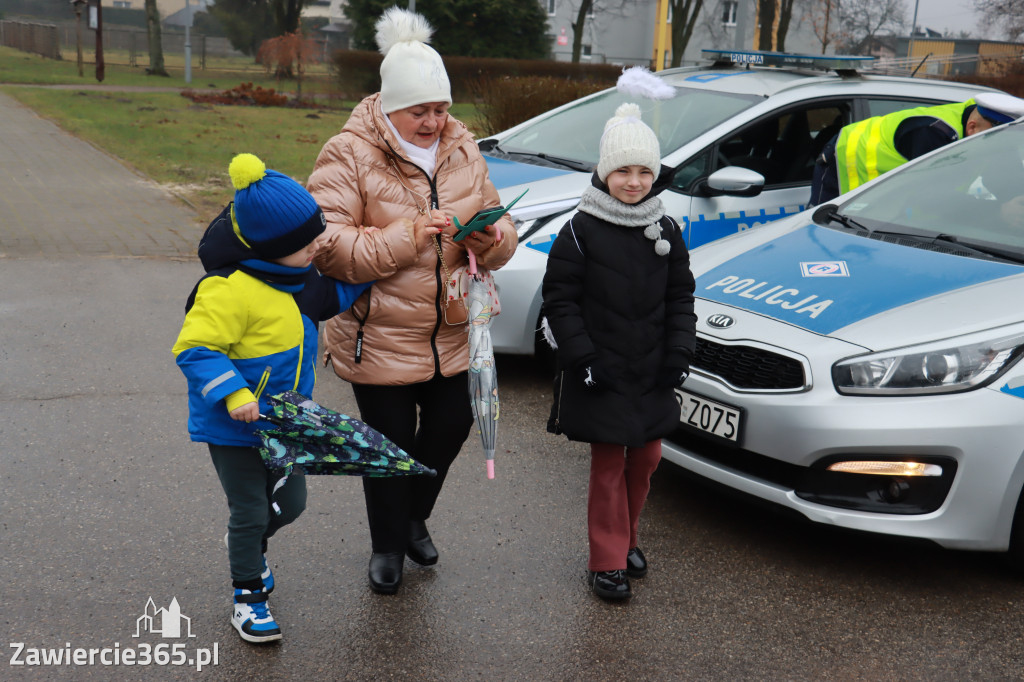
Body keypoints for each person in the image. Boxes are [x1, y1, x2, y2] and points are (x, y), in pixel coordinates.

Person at [305, 7, 517, 595]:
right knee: (389, 448)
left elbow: (504, 229)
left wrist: (490, 238)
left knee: (452, 424)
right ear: (389, 105)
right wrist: (409, 235)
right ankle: (387, 546)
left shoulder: (461, 146)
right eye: (419, 110)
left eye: (441, 108)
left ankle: (414, 515)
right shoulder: (347, 153)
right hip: (380, 334)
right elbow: (327, 244)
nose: (433, 122)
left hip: (451, 326)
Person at [172, 153, 372, 643]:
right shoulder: (227, 291)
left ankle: (249, 544)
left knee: (292, 504)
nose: (317, 246)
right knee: (249, 509)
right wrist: (235, 393)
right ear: (268, 247)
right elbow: (195, 349)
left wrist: (382, 269)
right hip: (235, 427)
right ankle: (248, 597)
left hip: (284, 422)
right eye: (304, 242)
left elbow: (333, 298)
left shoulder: (298, 278)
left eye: (316, 234)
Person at [541, 102, 697, 601]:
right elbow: (559, 301)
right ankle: (605, 560)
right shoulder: (580, 230)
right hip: (601, 370)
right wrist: (583, 359)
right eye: (623, 171)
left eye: (644, 171)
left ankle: (628, 536)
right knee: (609, 463)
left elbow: (681, 297)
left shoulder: (667, 230)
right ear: (604, 172)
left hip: (650, 368)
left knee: (647, 457)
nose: (634, 182)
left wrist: (679, 351)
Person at [810, 92, 1024, 206]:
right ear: (972, 127)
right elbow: (931, 198)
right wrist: (995, 212)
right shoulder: (934, 134)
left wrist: (1012, 201)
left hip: (881, 188)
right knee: (822, 229)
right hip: (845, 160)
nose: (996, 148)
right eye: (993, 140)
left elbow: (1002, 176)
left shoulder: (986, 135)